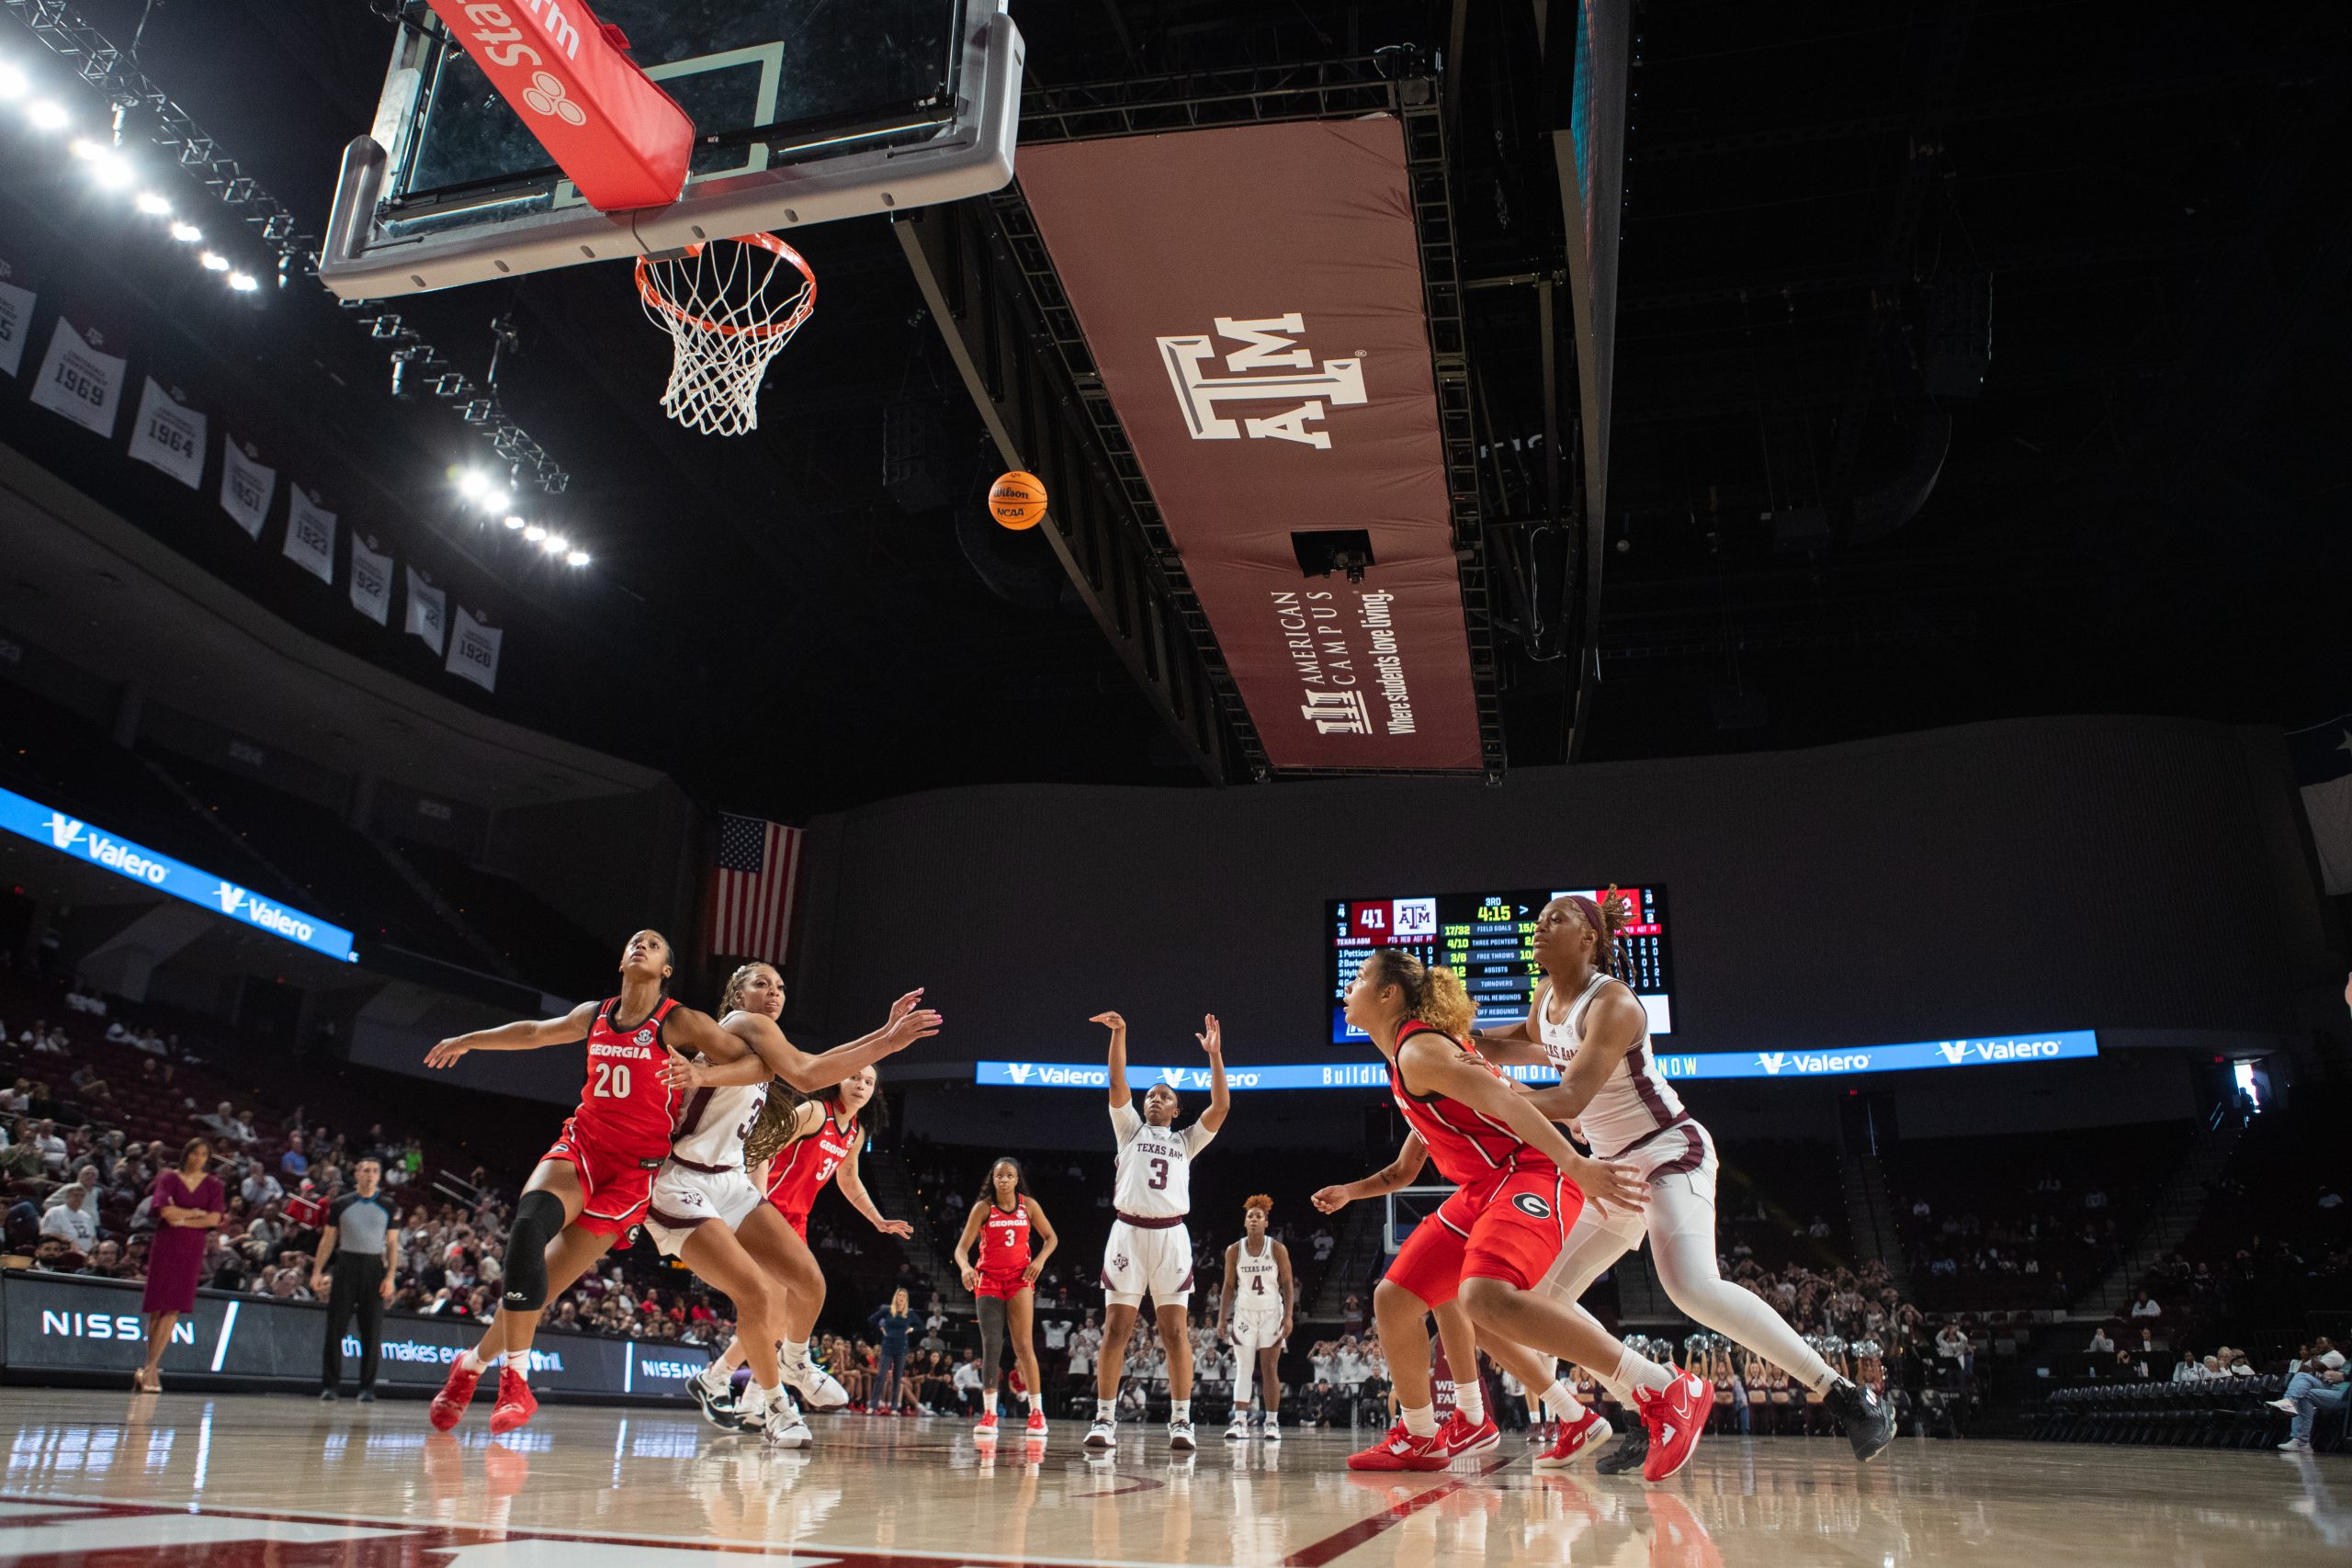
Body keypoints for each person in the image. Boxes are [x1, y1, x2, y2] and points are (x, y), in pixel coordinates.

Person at [421, 931, 936, 1437]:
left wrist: (883, 1038)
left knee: (807, 1283)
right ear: (736, 995)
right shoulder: (730, 1025)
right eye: (762, 982)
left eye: (780, 986)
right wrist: (885, 1041)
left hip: (707, 1176)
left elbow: (795, 1068)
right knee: (550, 1278)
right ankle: (770, 1398)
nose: (774, 992)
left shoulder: (750, 1038)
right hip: (670, 1175)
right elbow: (804, 1071)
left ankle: (794, 1362)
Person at [1471, 891, 1894, 1473]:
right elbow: (1504, 1043)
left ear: (1589, 937)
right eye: (1538, 922)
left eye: (1556, 920)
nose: (1540, 929)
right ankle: (1651, 1399)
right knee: (1537, 1300)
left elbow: (1569, 1099)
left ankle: (1846, 1394)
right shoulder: (1545, 997)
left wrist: (1493, 1096)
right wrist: (1452, 1040)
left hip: (1670, 1150)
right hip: (1610, 1168)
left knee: (1691, 1286)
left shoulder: (1614, 1004)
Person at [1328, 946, 1708, 1481]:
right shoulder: (1410, 1054)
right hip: (1486, 1184)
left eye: (1361, 977)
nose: (1349, 985)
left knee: (1483, 1296)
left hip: (1532, 1170)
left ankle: (1664, 1387)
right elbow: (1507, 1084)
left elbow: (1509, 1105)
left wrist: (1576, 1165)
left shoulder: (1420, 1052)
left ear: (1389, 995)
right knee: (1394, 1299)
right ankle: (1419, 1434)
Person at [686, 1053, 913, 1422]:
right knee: (774, 1312)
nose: (860, 1086)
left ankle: (734, 1392)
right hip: (768, 1212)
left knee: (778, 1319)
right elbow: (761, 1146)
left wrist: (878, 1220)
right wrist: (755, 1200)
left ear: (876, 1092)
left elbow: (848, 1179)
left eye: (868, 1082)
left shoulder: (855, 1132)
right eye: (854, 1077)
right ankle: (734, 1386)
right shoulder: (814, 1112)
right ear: (838, 1079)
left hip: (797, 1220)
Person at [1083, 1010, 1230, 1452]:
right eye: (1150, 1095)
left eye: (1163, 1097)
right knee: (1115, 1330)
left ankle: (1182, 1421)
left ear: (1176, 1109)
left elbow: (1221, 1107)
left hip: (1171, 1238)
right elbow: (1116, 1083)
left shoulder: (1186, 1140)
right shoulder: (1128, 1129)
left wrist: (1215, 1057)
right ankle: (1105, 1419)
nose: (1154, 1100)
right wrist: (1121, 1032)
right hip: (1127, 1233)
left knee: (1174, 1333)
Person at [953, 1156, 1058, 1439]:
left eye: (1009, 1175)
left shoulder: (1029, 1206)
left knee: (1024, 1345)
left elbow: (1051, 1238)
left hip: (1019, 1279)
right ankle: (989, 1414)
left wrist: (1038, 1262)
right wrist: (964, 1268)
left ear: (1016, 1179)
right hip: (988, 1279)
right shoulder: (983, 1208)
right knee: (991, 1344)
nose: (1004, 1179)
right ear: (993, 1179)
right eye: (999, 1175)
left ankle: (1037, 1414)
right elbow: (961, 1250)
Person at [133, 1138, 222, 1393]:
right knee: (158, 1307)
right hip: (166, 1245)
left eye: (204, 1154)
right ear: (187, 1154)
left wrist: (183, 1216)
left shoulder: (214, 1185)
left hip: (191, 1248)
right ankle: (149, 1369)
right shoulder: (169, 1178)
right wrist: (195, 1213)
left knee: (174, 1308)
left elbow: (214, 1218)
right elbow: (165, 1214)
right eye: (195, 1153)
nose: (198, 1158)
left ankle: (150, 1368)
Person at [312, 1156, 400, 1402]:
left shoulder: (388, 1205)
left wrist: (390, 1277)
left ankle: (367, 1388)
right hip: (346, 1264)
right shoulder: (341, 1204)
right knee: (335, 1328)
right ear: (357, 1174)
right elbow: (328, 1239)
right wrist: (317, 1271)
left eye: (374, 1171)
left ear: (379, 1176)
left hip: (374, 1267)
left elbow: (392, 1244)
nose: (370, 1175)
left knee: (371, 1330)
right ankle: (330, 1385)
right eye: (365, 1170)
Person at [1216, 1195, 1294, 1442]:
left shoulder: (1277, 1249)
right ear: (1245, 1220)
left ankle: (1271, 1422)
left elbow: (1288, 1283)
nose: (1253, 1220)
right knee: (1244, 1368)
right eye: (1250, 1216)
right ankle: (1239, 1421)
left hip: (1272, 1313)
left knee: (1270, 1368)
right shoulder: (1234, 1250)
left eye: (1258, 1216)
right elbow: (1228, 1286)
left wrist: (1289, 1316)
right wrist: (1221, 1318)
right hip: (1244, 1314)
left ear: (1266, 1222)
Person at [869, 1288, 916, 1414]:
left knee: (897, 1377)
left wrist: (910, 1330)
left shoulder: (909, 1313)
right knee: (881, 1375)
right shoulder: (888, 1310)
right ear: (896, 1297)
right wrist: (881, 1327)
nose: (901, 1298)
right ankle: (872, 1405)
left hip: (901, 1347)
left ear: (906, 1299)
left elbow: (920, 1325)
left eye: (904, 1296)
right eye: (899, 1295)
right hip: (888, 1345)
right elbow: (872, 1319)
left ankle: (894, 1407)